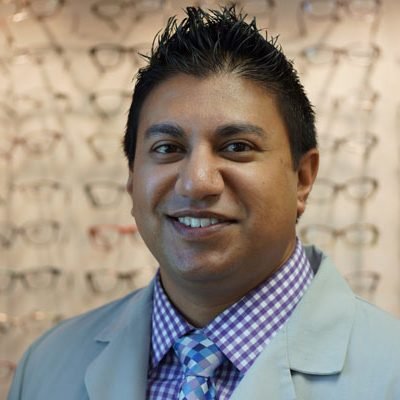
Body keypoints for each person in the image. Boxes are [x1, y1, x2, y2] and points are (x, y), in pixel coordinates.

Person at [8, 6, 400, 400]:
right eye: (168, 148)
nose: (196, 182)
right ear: (132, 179)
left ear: (303, 179)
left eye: (237, 147)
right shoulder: (46, 367)